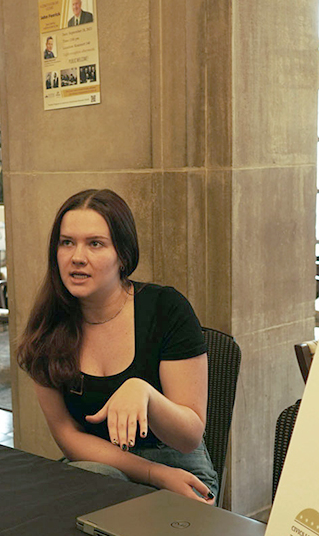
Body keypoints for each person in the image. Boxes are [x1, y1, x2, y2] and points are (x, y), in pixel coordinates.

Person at [17, 189, 218, 503]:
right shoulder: (48, 323)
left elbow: (189, 437)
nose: (77, 257)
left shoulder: (166, 308)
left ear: (123, 255)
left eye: (95, 243)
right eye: (67, 242)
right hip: (99, 464)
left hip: (176, 464)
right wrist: (152, 474)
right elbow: (67, 436)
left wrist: (146, 393)